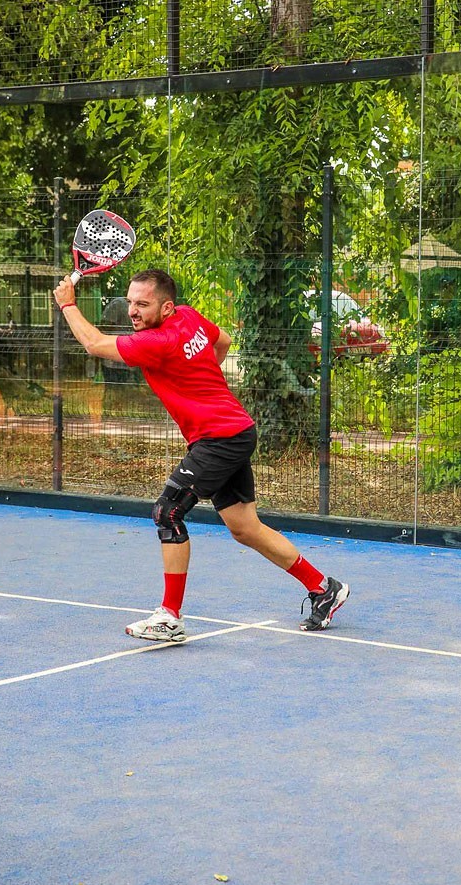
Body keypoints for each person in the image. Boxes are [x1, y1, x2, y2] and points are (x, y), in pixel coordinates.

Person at [53, 269, 349, 644]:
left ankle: (169, 617)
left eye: (142, 304)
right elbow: (223, 340)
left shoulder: (156, 341)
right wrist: (198, 381)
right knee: (245, 528)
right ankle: (324, 587)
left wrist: (68, 304)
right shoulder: (188, 317)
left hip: (219, 438)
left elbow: (94, 343)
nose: (133, 311)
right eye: (130, 302)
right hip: (234, 430)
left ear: (166, 307)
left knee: (167, 512)